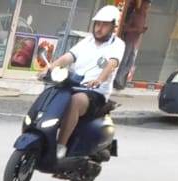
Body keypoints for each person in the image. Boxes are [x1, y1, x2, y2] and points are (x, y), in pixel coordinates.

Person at [36, 6, 124, 160]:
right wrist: (50, 69)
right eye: (97, 24)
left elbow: (112, 64)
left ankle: (61, 145)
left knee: (75, 101)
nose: (99, 28)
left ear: (113, 27)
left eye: (104, 25)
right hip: (76, 84)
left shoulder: (117, 44)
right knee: (53, 93)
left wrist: (99, 80)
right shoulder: (87, 41)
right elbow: (68, 57)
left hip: (96, 92)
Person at [114, 0, 149, 89]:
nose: (146, 8)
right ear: (141, 5)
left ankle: (118, 78)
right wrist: (136, 30)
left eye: (147, 7)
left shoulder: (144, 15)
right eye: (145, 6)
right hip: (129, 40)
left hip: (135, 42)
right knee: (124, 61)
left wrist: (142, 30)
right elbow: (125, 28)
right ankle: (117, 80)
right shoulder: (134, 14)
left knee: (130, 63)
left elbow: (140, 28)